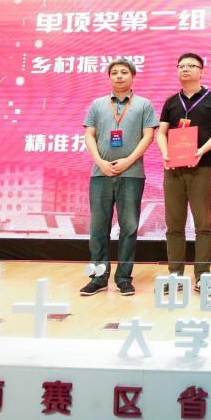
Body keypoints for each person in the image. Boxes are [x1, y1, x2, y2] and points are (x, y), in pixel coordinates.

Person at [79, 59, 158, 297]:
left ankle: (124, 278)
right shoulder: (97, 104)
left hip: (131, 173)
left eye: (124, 72)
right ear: (109, 77)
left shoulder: (144, 104)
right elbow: (89, 135)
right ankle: (98, 278)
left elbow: (148, 137)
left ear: (133, 76)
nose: (119, 76)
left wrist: (128, 161)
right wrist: (100, 162)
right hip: (100, 173)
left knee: (129, 227)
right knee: (98, 228)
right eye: (114, 72)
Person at [156, 52, 211, 290]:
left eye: (191, 65)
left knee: (203, 224)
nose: (185, 69)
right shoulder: (171, 101)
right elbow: (161, 132)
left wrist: (201, 151)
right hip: (173, 169)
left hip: (201, 167)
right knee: (174, 224)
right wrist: (165, 152)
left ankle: (202, 275)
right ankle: (175, 274)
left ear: (201, 71)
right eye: (181, 66)